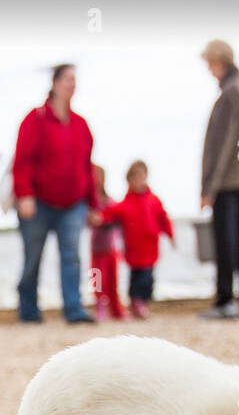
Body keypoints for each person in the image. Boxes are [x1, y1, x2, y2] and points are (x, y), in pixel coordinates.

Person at [13, 63, 96, 324]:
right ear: (56, 83)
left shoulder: (81, 125)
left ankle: (73, 308)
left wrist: (93, 204)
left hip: (73, 203)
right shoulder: (35, 119)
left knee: (71, 255)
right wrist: (24, 194)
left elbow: (87, 166)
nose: (73, 84)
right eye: (68, 79)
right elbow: (23, 161)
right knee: (33, 258)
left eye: (75, 79)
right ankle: (28, 309)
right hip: (38, 202)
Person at [198, 40, 239, 319]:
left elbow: (220, 144)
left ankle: (225, 299)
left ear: (217, 62)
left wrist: (208, 186)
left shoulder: (229, 95)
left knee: (226, 241)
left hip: (228, 179)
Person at [92, 161, 174, 320]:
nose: (138, 182)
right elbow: (111, 212)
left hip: (150, 249)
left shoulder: (154, 200)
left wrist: (170, 234)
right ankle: (134, 303)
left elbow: (163, 218)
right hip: (133, 250)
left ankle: (143, 302)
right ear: (129, 181)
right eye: (135, 178)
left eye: (141, 177)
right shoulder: (126, 203)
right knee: (134, 278)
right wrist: (100, 217)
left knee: (148, 278)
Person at [88, 165, 124, 320]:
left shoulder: (110, 201)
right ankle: (99, 306)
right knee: (96, 281)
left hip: (110, 248)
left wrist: (105, 219)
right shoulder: (90, 203)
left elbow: (119, 217)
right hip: (96, 249)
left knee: (113, 281)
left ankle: (116, 310)